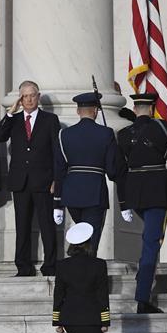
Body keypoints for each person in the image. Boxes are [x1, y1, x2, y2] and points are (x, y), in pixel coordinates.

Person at [117, 92, 167, 313]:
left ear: (135, 107)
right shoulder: (163, 128)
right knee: (151, 242)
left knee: (148, 239)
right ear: (151, 108)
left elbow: (119, 170)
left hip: (134, 193)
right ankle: (142, 298)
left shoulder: (123, 134)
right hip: (156, 193)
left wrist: (123, 201)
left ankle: (144, 276)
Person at [0, 80, 61, 276]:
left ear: (38, 97)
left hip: (44, 182)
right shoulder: (13, 120)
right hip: (20, 182)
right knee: (22, 227)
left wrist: (56, 179)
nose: (29, 99)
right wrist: (9, 113)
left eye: (32, 95)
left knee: (47, 226)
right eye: (25, 96)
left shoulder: (50, 120)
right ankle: (23, 267)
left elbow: (57, 152)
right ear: (20, 98)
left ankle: (50, 265)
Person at [53, 92, 123, 255]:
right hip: (95, 192)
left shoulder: (64, 134)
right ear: (96, 111)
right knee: (92, 237)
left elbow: (60, 170)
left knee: (80, 235)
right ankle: (88, 268)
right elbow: (112, 171)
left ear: (78, 111)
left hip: (71, 194)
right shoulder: (106, 133)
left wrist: (57, 202)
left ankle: (78, 266)